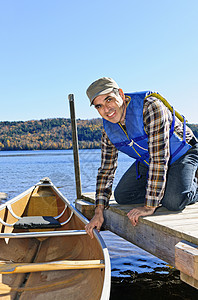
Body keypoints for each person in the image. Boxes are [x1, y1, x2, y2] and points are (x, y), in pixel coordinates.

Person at [85, 77, 198, 238]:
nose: (106, 109)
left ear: (121, 95)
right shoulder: (107, 130)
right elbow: (106, 170)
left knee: (172, 202)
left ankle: (191, 182)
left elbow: (160, 158)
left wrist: (149, 206)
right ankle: (168, 186)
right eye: (99, 106)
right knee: (123, 196)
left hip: (183, 152)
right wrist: (98, 211)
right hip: (149, 159)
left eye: (109, 99)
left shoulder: (150, 107)